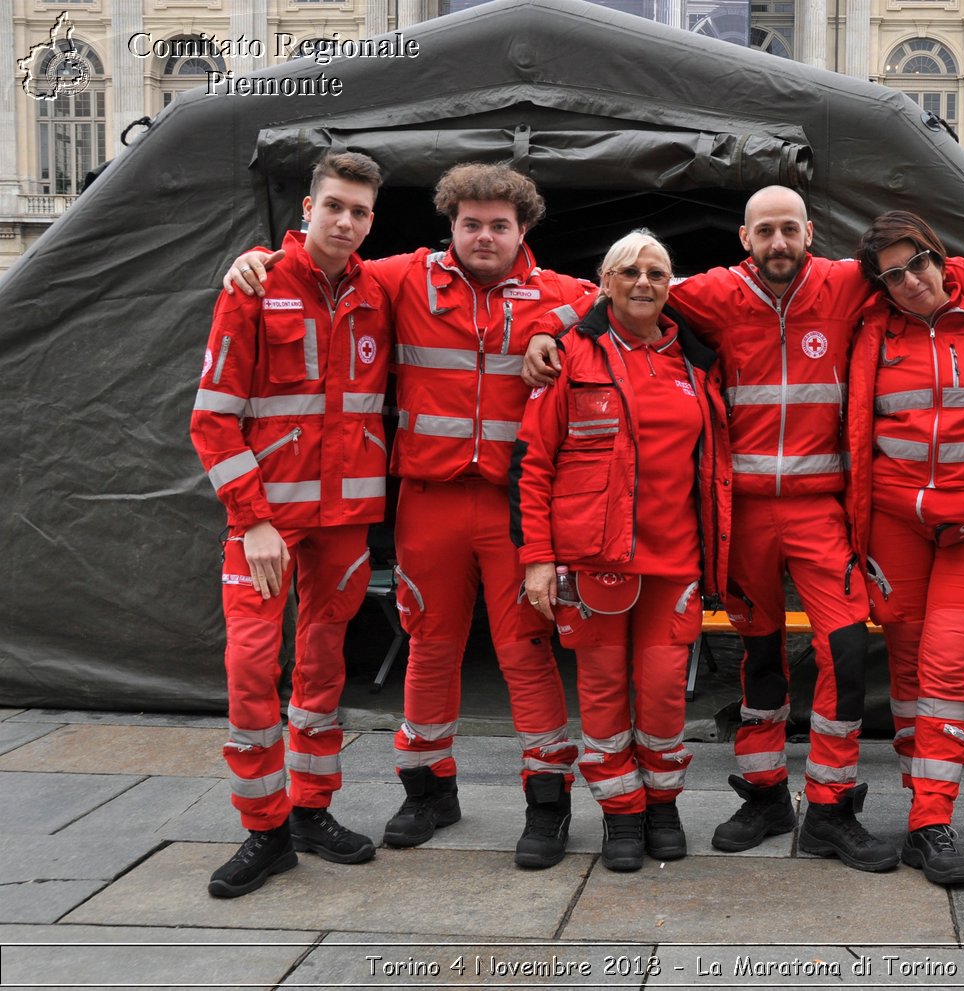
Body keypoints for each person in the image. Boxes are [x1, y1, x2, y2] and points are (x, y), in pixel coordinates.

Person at [522, 186, 964, 873]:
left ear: (809, 231)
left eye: (789, 230)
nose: (778, 243)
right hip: (744, 515)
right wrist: (552, 331)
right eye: (765, 231)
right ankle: (765, 792)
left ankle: (828, 808)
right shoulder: (709, 292)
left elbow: (928, 264)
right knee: (761, 655)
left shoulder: (847, 282)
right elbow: (623, 291)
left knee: (847, 652)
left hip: (819, 507)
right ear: (744, 237)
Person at [223, 164, 590, 869]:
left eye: (500, 225)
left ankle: (548, 803)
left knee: (527, 649)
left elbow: (628, 297)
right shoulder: (400, 278)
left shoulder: (563, 294)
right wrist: (258, 257)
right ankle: (429, 789)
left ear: (524, 231)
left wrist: (550, 331)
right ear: (449, 227)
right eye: (471, 224)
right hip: (428, 500)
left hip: (515, 508)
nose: (485, 236)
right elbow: (322, 263)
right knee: (431, 644)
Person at [191, 151, 389, 897]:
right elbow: (211, 422)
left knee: (322, 667)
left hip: (342, 520)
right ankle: (264, 829)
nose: (345, 221)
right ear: (305, 209)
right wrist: (254, 520)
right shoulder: (255, 286)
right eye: (333, 205)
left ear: (373, 219)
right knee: (250, 668)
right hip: (266, 522)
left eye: (360, 211)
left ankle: (310, 810)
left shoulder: (380, 289)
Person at [513, 230, 731, 871]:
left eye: (657, 272)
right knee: (605, 695)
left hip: (676, 560)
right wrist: (537, 559)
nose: (643, 282)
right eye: (629, 271)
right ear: (603, 283)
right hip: (592, 561)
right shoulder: (569, 357)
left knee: (664, 694)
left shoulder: (695, 361)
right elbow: (533, 465)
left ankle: (662, 804)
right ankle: (621, 815)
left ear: (671, 286)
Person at [844, 211, 964, 886]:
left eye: (918, 261)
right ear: (879, 286)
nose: (913, 281)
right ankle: (927, 811)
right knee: (910, 674)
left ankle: (931, 821)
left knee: (947, 672)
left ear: (938, 251)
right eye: (893, 274)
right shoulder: (869, 326)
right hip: (896, 526)